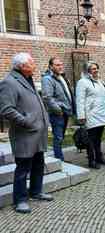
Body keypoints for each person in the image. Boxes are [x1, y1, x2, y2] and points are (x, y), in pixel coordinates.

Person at [0, 53, 53, 214]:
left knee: (38, 164)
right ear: (22, 66)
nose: (34, 65)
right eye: (31, 63)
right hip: (25, 134)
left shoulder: (27, 79)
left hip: (37, 133)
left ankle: (36, 192)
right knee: (23, 169)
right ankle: (20, 200)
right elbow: (6, 109)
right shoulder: (9, 82)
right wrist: (27, 122)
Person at [76, 61, 105, 169]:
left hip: (101, 114)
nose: (95, 70)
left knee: (98, 138)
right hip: (91, 115)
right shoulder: (82, 82)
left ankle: (99, 157)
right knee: (91, 139)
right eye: (93, 69)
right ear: (87, 71)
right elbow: (80, 100)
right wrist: (81, 116)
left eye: (96, 68)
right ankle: (91, 160)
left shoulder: (99, 81)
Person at [41, 57, 75, 161]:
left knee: (61, 137)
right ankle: (59, 160)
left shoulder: (61, 77)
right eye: (57, 65)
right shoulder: (47, 79)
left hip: (64, 112)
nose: (60, 67)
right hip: (57, 114)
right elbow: (47, 97)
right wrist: (58, 110)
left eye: (61, 64)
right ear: (51, 66)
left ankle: (60, 158)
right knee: (58, 137)